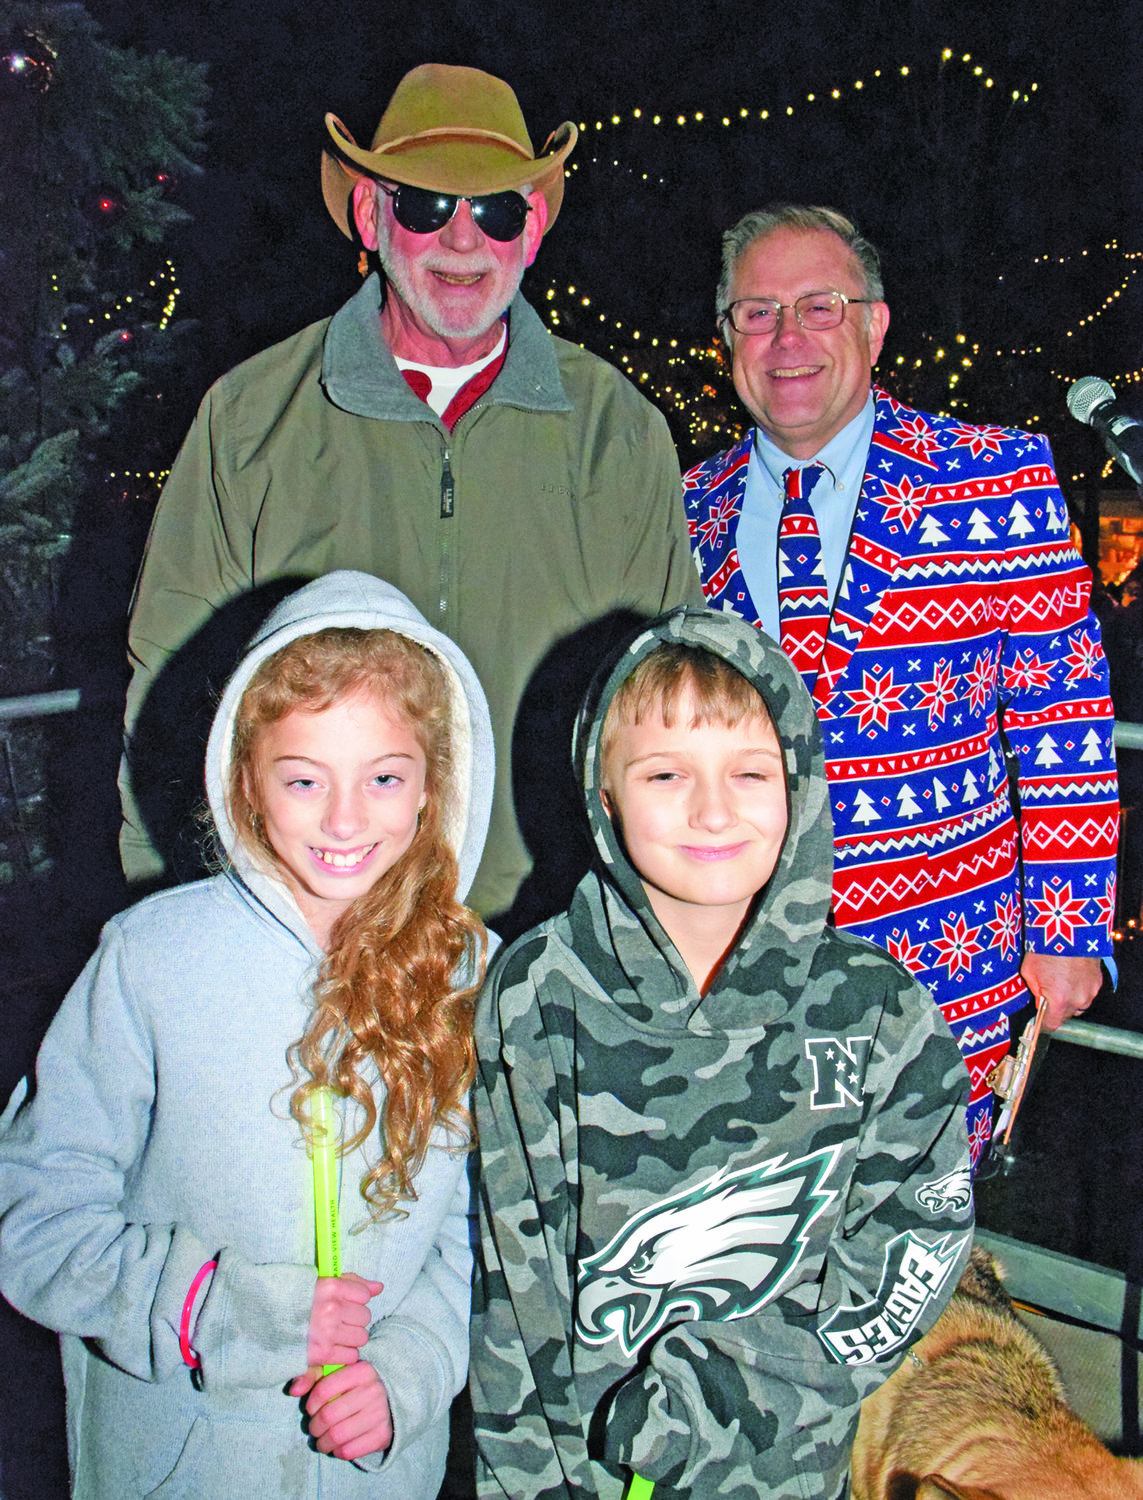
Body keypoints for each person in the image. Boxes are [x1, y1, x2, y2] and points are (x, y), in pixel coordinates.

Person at [121, 63, 700, 930]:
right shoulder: (251, 418)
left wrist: (664, 925)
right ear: (371, 215)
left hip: (551, 946)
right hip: (310, 934)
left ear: (533, 228)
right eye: (428, 206)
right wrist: (170, 921)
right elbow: (164, 687)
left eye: (496, 209)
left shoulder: (617, 431)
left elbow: (669, 712)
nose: (463, 242)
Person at [0, 570, 493, 1497]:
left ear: (435, 784)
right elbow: (31, 1214)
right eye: (303, 778)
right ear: (245, 781)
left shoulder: (478, 979)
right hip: (180, 1461)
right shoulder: (150, 960)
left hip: (377, 1473)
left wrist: (413, 1369)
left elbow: (486, 1233)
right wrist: (210, 1309)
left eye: (384, 777)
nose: (344, 819)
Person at [471, 605, 974, 1500]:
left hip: (782, 1468)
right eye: (665, 773)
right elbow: (516, 1283)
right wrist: (534, 1479)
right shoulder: (534, 993)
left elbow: (910, 1253)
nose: (711, 809)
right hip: (577, 1466)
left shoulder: (881, 1015)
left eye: (749, 772)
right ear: (602, 791)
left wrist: (726, 1399)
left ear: (801, 786)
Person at [683, 205, 1118, 1167]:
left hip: (941, 974)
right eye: (755, 314)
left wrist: (1069, 926)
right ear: (725, 342)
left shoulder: (996, 477)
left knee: (916, 1264)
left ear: (875, 327)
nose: (786, 339)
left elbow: (1065, 713)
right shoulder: (683, 510)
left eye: (819, 306)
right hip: (733, 979)